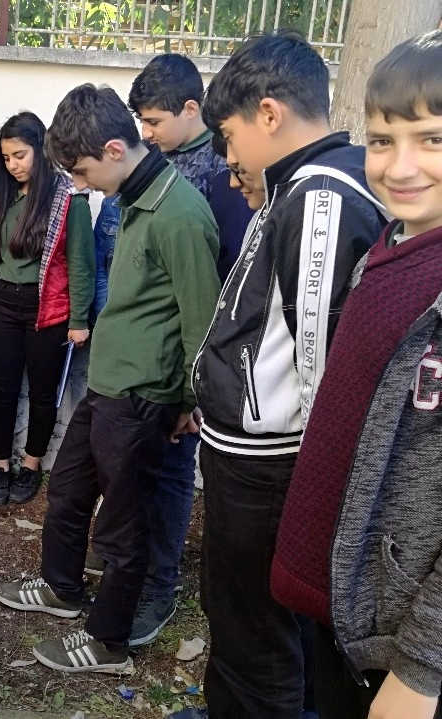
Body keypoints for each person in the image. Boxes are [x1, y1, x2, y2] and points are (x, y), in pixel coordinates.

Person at [183, 30, 389, 719]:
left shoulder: (321, 195)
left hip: (273, 470)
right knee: (256, 623)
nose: (229, 153)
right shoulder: (306, 185)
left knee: (254, 635)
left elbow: (321, 361)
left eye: (230, 133)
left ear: (268, 113)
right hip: (261, 463)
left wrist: (314, 490)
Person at [0, 84, 220, 675]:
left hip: (143, 396)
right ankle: (63, 588)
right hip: (106, 384)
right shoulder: (129, 203)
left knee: (123, 526)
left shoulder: (181, 215)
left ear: (116, 149)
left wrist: (188, 401)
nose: (79, 182)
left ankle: (108, 640)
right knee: (67, 491)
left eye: (83, 170)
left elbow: (201, 323)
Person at [272, 30, 442, 719]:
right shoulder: (389, 249)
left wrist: (424, 668)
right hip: (348, 618)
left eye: (432, 138)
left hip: (402, 652)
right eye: (381, 139)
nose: (400, 165)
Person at [81, 52, 251, 648]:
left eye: (152, 121)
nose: (143, 133)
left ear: (190, 109)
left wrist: (191, 384)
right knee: (129, 478)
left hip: (181, 359)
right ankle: (129, 572)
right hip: (131, 353)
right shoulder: (150, 164)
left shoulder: (217, 176)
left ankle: (157, 585)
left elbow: (204, 292)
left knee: (173, 475)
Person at [0, 111, 94, 506]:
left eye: (19, 155)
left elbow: (81, 263)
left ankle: (31, 464)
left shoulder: (68, 198)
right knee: (3, 390)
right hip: (4, 304)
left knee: (42, 394)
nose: (13, 165)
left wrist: (78, 320)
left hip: (48, 310)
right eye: (6, 158)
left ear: (40, 150)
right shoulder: (2, 196)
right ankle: (1, 465)